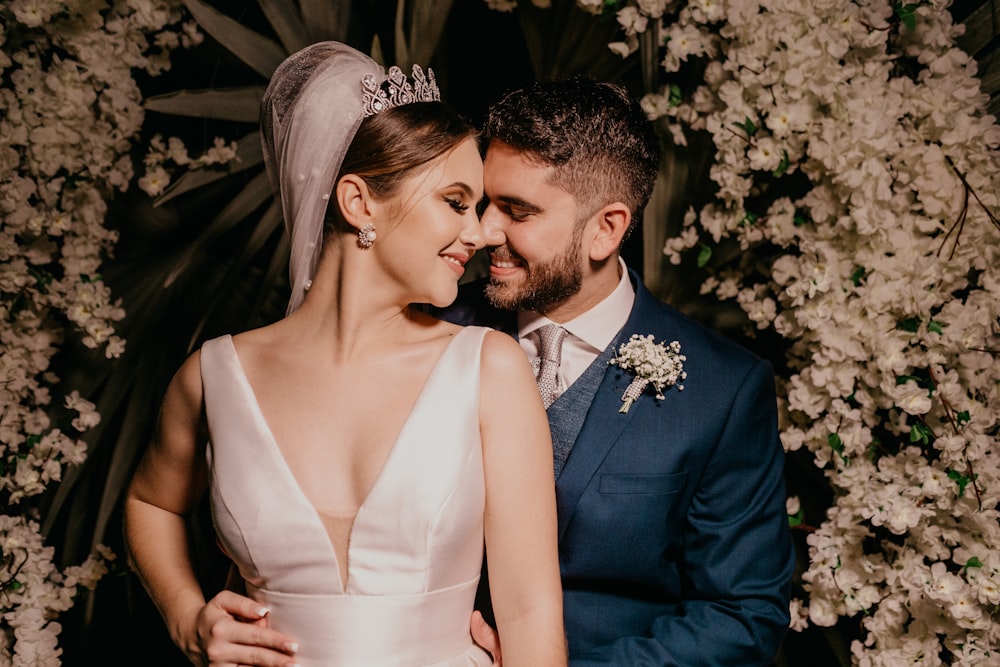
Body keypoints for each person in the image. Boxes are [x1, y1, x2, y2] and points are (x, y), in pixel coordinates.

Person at [124, 41, 566, 667]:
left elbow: (529, 610)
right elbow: (150, 502)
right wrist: (186, 617)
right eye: (456, 201)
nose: (479, 232)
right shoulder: (212, 377)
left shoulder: (488, 369)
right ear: (359, 203)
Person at [439, 76, 795, 665]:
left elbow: (742, 612)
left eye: (516, 211)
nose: (482, 233)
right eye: (482, 201)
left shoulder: (723, 389)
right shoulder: (429, 328)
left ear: (606, 228)